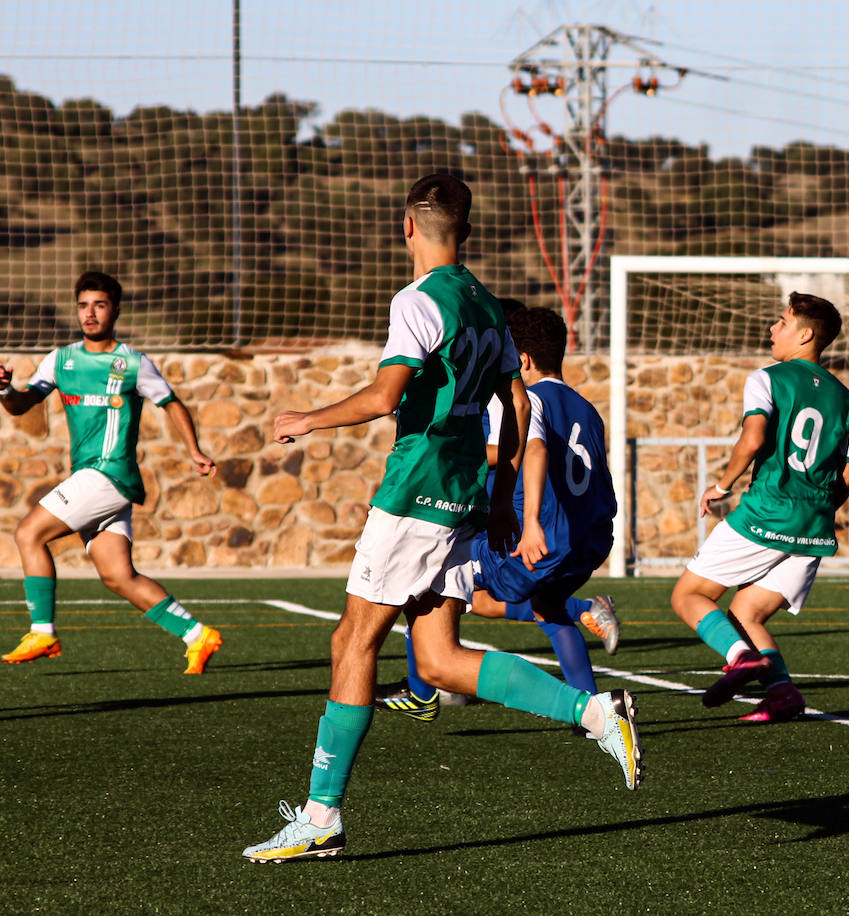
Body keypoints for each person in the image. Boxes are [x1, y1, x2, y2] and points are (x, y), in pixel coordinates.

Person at [242, 174, 640, 864]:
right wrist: (500, 494)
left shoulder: (418, 300)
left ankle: (321, 816)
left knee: (353, 642)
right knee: (437, 658)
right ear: (467, 229)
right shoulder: (486, 305)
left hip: (417, 491)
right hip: (464, 496)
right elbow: (519, 405)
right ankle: (595, 713)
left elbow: (385, 395)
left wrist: (309, 418)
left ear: (407, 226)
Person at [375, 305, 622, 722]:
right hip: (590, 539)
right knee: (544, 605)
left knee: (425, 579)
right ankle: (595, 707)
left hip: (540, 536)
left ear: (521, 360)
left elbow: (532, 450)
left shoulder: (525, 399)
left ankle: (422, 692)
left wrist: (529, 523)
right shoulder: (587, 409)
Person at [0, 271, 222, 673]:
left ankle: (43, 632)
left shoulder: (133, 363)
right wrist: (4, 390)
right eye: (83, 305)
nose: (90, 313)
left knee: (29, 533)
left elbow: (171, 403)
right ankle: (197, 634)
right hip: (97, 478)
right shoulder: (61, 360)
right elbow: (22, 404)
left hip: (108, 474)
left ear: (115, 310)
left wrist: (194, 450)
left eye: (99, 305)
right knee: (118, 576)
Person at [669, 292, 849, 723]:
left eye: (781, 322)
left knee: (688, 596)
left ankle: (740, 658)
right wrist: (813, 510)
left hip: (767, 513)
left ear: (805, 334)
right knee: (747, 613)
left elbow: (753, 438)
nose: (772, 329)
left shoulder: (767, 378)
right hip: (815, 527)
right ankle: (782, 693)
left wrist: (721, 486)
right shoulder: (845, 398)